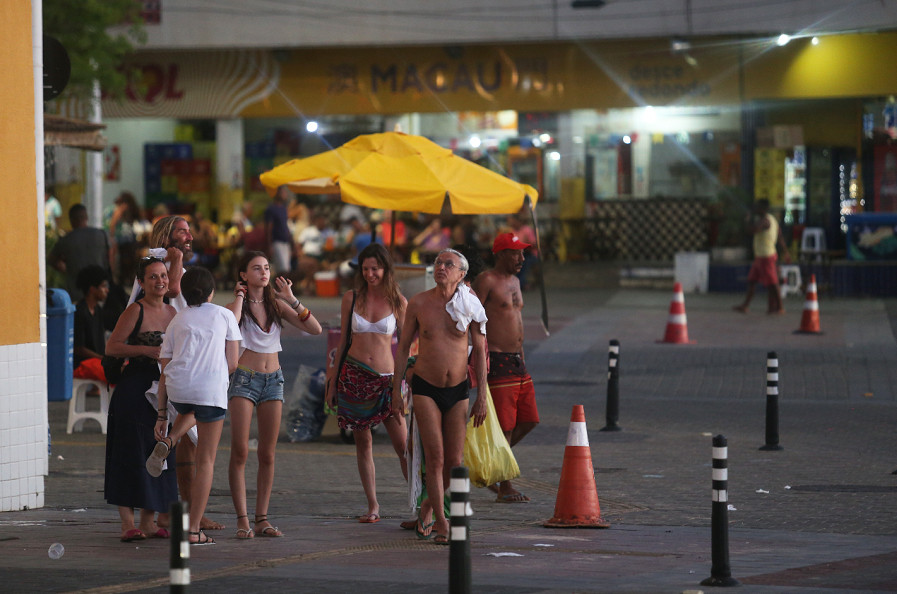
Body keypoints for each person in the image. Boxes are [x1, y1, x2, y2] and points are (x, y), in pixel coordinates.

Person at [392, 248, 488, 545]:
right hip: (425, 387)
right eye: (438, 263)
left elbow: (481, 352)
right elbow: (404, 345)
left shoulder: (470, 304)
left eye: (449, 264)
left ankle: (427, 508)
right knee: (434, 458)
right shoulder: (419, 303)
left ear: (461, 274)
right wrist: (396, 389)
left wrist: (481, 396)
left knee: (454, 461)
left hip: (459, 389)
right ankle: (443, 523)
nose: (441, 267)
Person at [133, 216, 222, 532]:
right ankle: (186, 514)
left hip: (176, 367)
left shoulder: (170, 266)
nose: (190, 236)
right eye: (183, 231)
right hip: (173, 368)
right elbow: (170, 292)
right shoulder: (160, 267)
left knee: (185, 444)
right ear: (167, 236)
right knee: (191, 445)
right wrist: (177, 259)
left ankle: (176, 512)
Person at [225, 251, 323, 539]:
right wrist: (241, 297)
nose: (264, 273)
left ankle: (262, 519)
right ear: (243, 275)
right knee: (240, 450)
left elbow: (315, 328)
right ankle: (242, 519)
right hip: (244, 378)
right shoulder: (235, 307)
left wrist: (292, 298)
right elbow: (229, 324)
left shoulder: (278, 305)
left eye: (266, 268)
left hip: (274, 380)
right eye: (256, 268)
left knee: (267, 452)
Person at [146, 267, 242, 545]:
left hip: (178, 388)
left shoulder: (177, 320)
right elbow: (233, 362)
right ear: (212, 292)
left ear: (184, 294)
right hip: (209, 389)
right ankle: (193, 529)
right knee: (206, 461)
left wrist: (162, 415)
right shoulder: (224, 315)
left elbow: (164, 369)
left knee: (192, 410)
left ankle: (172, 438)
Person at [326, 243, 408, 524]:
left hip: (387, 381)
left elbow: (408, 348)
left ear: (386, 269)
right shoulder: (352, 297)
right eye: (366, 269)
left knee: (404, 446)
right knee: (363, 443)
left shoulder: (398, 301)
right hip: (353, 375)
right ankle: (373, 505)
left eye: (376, 268)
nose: (371, 274)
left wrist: (402, 386)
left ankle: (422, 503)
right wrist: (332, 380)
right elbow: (343, 340)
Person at [103, 257, 178, 542]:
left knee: (158, 452)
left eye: (163, 276)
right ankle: (127, 524)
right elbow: (112, 347)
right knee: (129, 452)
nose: (160, 281)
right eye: (153, 277)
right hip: (134, 390)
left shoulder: (173, 313)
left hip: (163, 390)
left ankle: (148, 521)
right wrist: (146, 351)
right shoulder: (135, 310)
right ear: (142, 283)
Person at [473, 232, 540, 503]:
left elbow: (516, 320)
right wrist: (477, 356)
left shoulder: (515, 281)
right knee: (506, 425)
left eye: (523, 253)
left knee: (530, 419)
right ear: (500, 254)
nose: (522, 258)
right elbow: (471, 317)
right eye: (515, 253)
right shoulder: (486, 280)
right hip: (497, 360)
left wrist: (522, 354)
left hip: (517, 360)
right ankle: (504, 485)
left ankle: (486, 463)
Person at [734, 199, 791, 314]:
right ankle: (746, 305)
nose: (755, 209)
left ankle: (780, 307)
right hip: (760, 256)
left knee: (773, 282)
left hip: (766, 256)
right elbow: (780, 237)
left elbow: (752, 230)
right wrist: (786, 252)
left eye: (757, 207)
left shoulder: (765, 221)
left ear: (763, 209)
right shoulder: (773, 220)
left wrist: (747, 219)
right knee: (752, 281)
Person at [48, 203, 112, 301]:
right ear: (86, 217)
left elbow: (51, 260)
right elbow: (110, 257)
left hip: (77, 293)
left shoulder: (66, 240)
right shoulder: (101, 235)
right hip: (101, 291)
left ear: (71, 220)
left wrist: (65, 268)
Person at [72, 265, 109, 381]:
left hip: (97, 361)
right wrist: (102, 358)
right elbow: (79, 348)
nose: (107, 290)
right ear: (92, 289)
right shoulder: (80, 311)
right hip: (83, 364)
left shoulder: (98, 310)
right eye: (103, 286)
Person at [109, 192, 143, 287]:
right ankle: (124, 279)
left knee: (129, 259)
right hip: (123, 241)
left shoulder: (132, 212)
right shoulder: (117, 211)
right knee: (124, 260)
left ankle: (129, 278)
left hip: (129, 240)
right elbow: (113, 225)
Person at [265, 185, 294, 275]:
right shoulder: (271, 209)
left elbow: (285, 225)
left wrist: (292, 242)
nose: (285, 195)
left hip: (285, 242)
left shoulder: (284, 209)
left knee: (287, 268)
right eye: (283, 192)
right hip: (277, 242)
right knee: (282, 269)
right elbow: (269, 228)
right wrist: (269, 245)